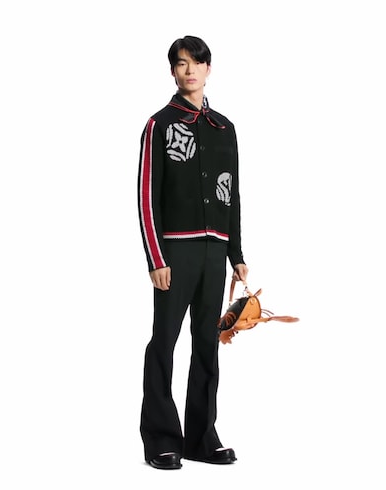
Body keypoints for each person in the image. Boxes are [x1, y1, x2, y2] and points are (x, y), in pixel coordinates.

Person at [137, 35, 248, 470]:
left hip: (214, 253)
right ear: (173, 71)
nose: (190, 70)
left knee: (207, 344)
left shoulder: (225, 128)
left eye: (197, 63)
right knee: (164, 342)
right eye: (182, 63)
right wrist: (156, 258)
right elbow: (147, 196)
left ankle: (201, 438)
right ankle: (161, 439)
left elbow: (232, 194)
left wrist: (236, 254)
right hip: (175, 254)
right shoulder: (159, 125)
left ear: (208, 68)